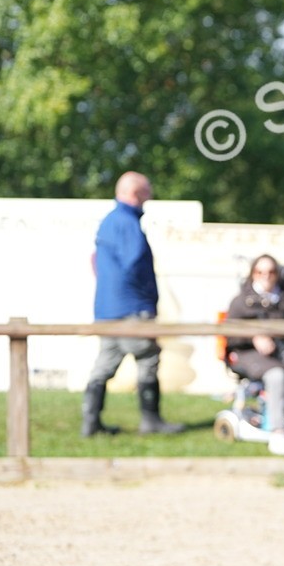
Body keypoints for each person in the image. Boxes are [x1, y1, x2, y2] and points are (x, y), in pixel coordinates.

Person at [82, 171, 184, 436]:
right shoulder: (126, 222)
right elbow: (134, 262)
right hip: (131, 310)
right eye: (147, 191)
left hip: (107, 310)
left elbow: (95, 261)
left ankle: (90, 423)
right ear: (136, 193)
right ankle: (151, 421)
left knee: (105, 364)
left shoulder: (109, 221)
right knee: (148, 356)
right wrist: (145, 299)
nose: (150, 197)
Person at [224, 254, 284, 455]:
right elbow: (230, 335)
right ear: (253, 273)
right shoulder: (240, 301)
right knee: (276, 375)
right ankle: (278, 431)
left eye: (271, 272)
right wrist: (253, 336)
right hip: (249, 353)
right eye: (260, 271)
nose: (266, 276)